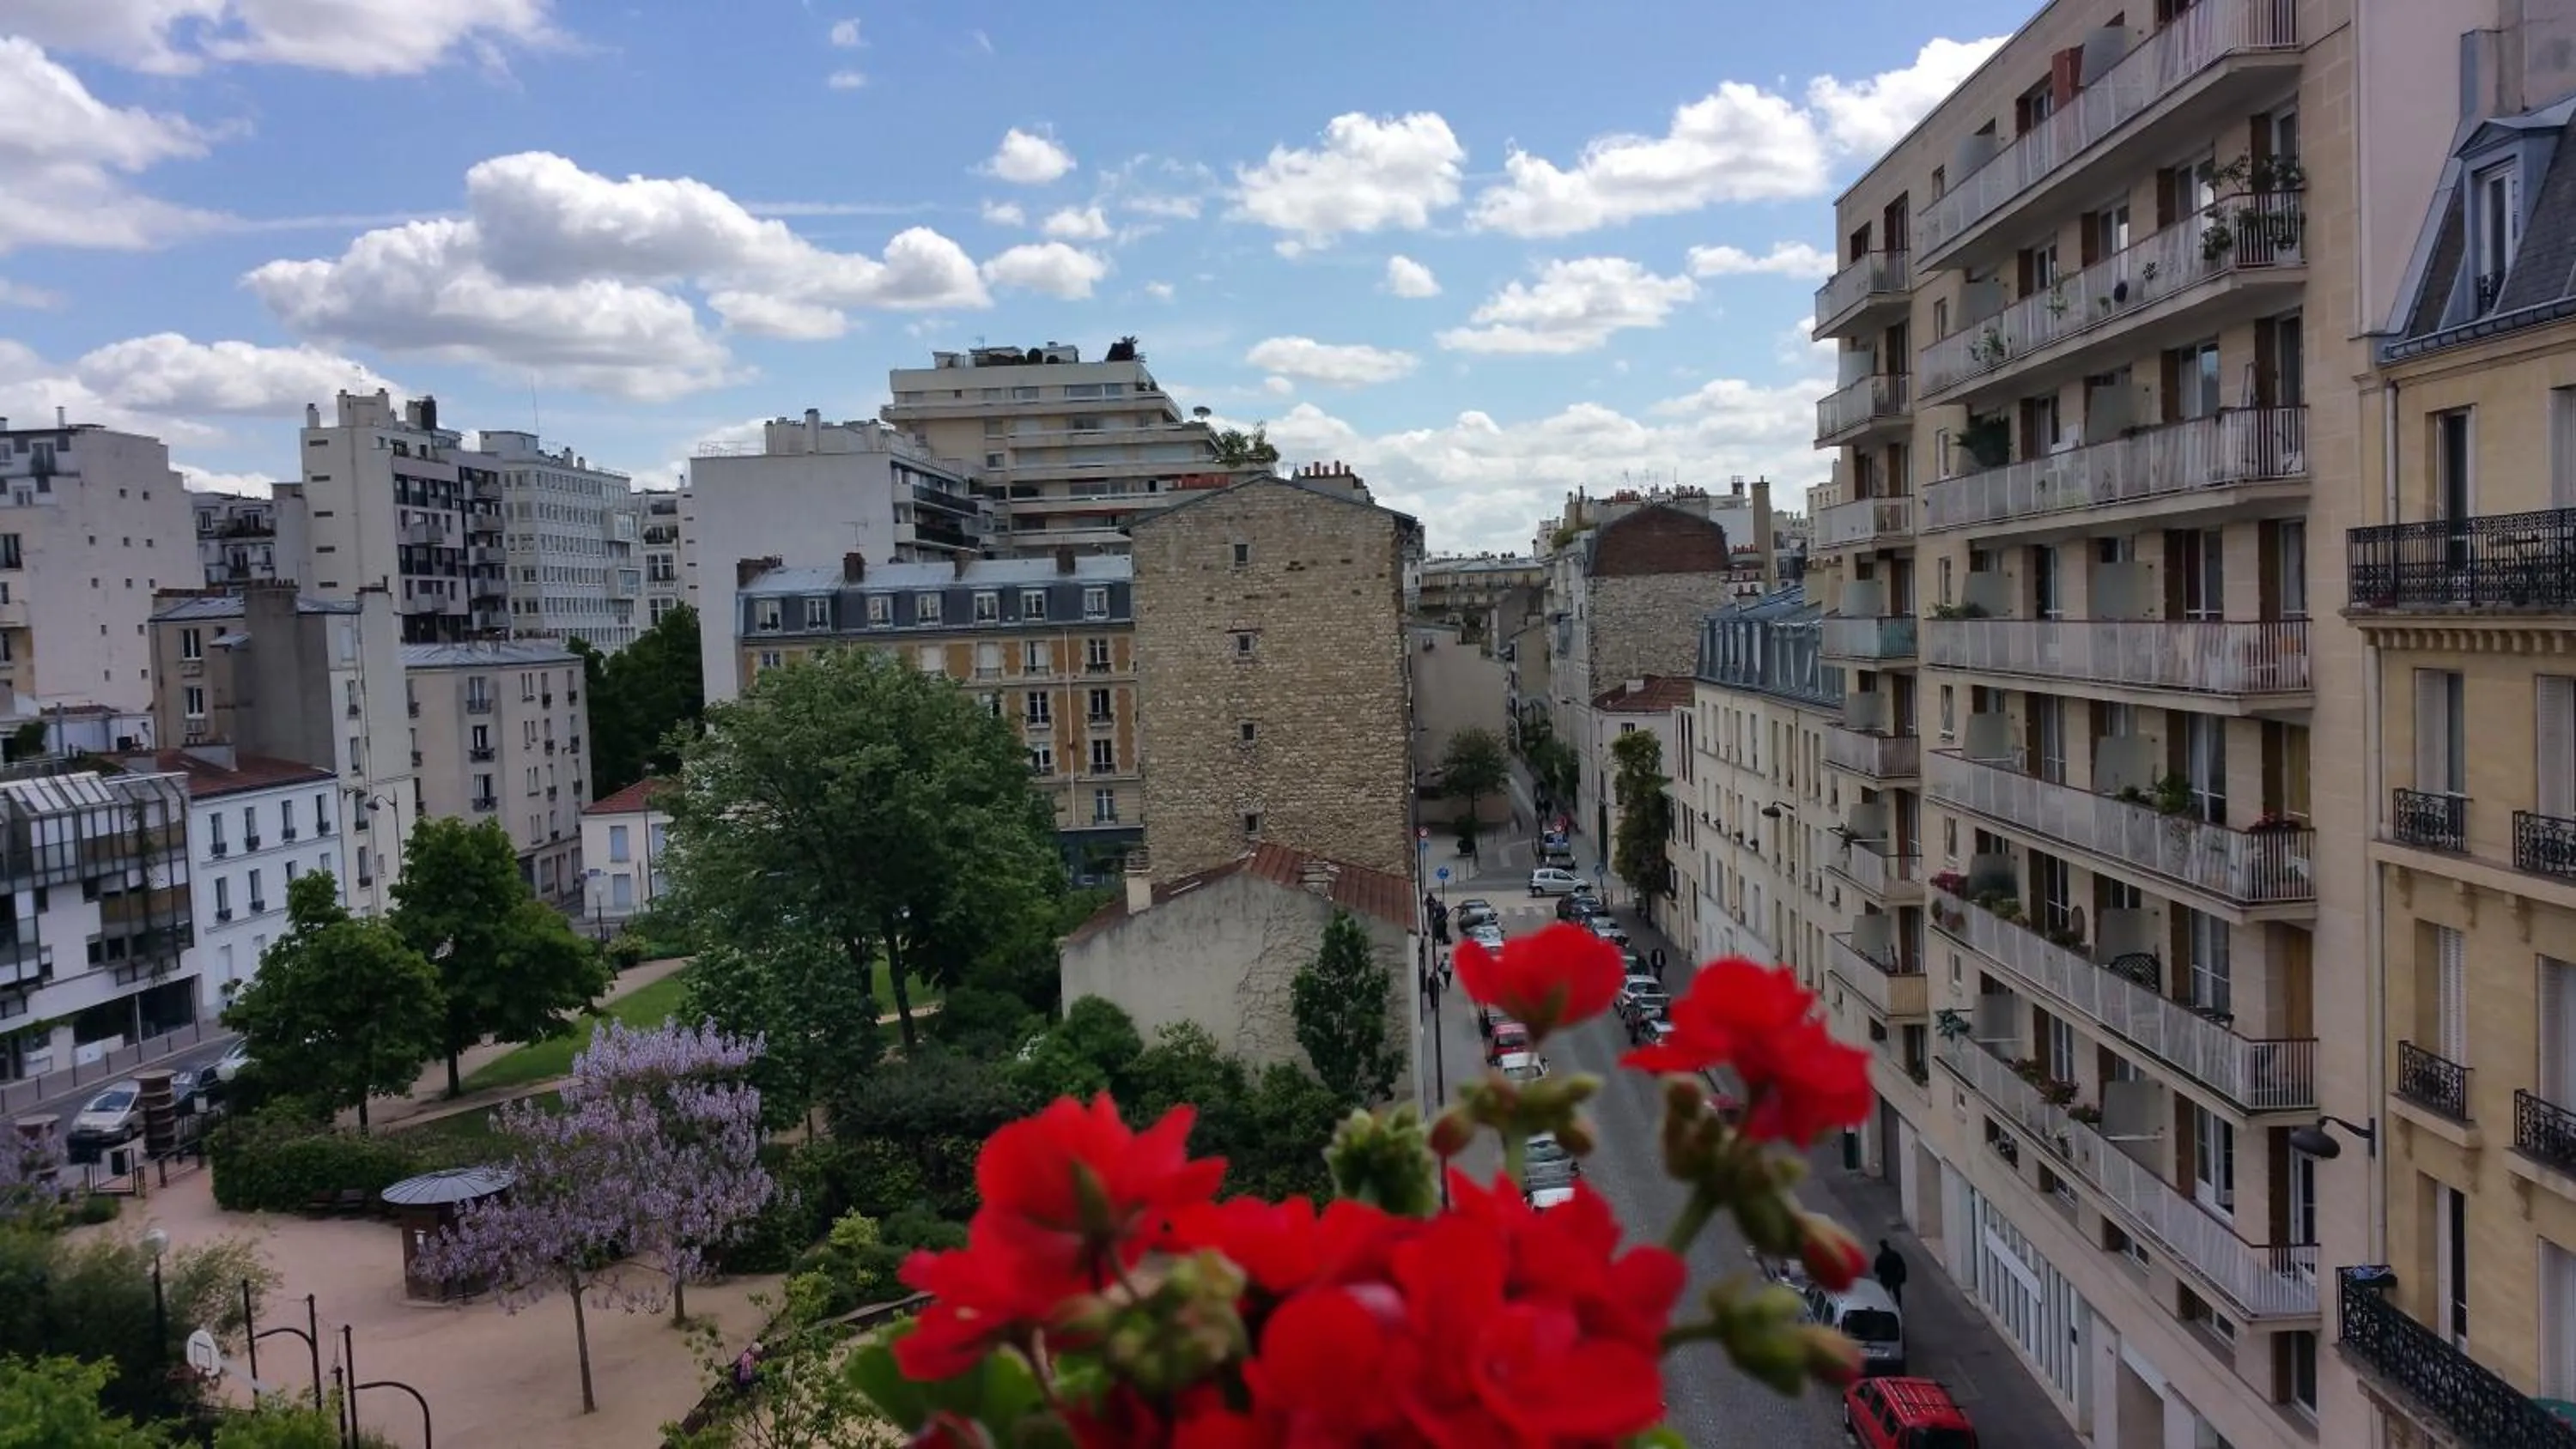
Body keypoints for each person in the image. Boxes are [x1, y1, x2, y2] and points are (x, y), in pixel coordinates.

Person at [1874, 1240, 1909, 1308]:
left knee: (1886, 1293)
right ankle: (1899, 1305)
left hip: (1885, 1279)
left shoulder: (1880, 1257)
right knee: (1897, 1293)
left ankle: (1886, 1306)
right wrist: (1903, 1277)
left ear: (1881, 1247)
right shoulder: (1895, 1254)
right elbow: (1902, 1265)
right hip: (1895, 1278)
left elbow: (1876, 1270)